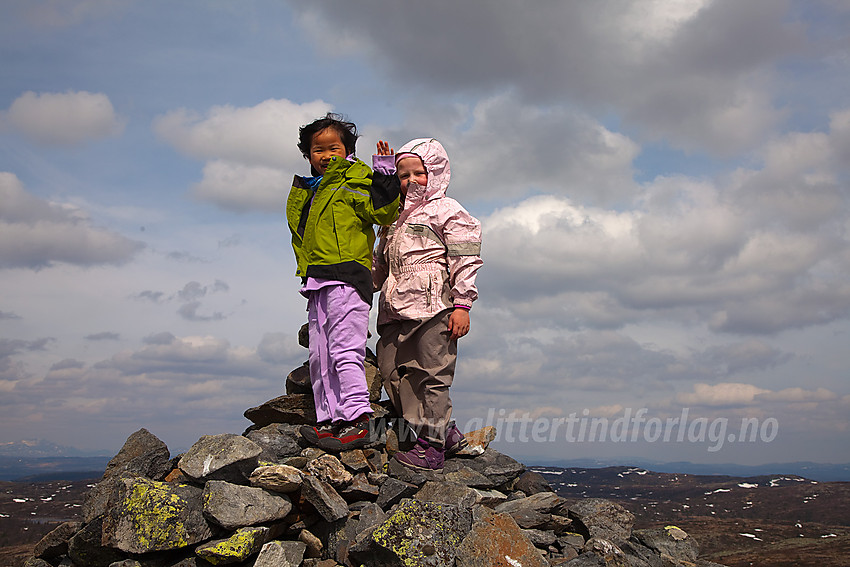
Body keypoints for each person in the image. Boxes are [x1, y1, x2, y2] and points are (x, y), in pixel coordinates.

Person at [286, 113, 400, 452]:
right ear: (308, 155)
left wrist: (384, 175)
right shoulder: (314, 189)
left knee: (344, 348)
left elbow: (383, 213)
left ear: (348, 150)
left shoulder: (356, 177)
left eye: (333, 148)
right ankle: (329, 420)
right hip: (318, 279)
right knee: (320, 354)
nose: (325, 155)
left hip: (348, 276)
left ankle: (357, 419)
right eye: (317, 150)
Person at [372, 138, 483, 471]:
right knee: (391, 372)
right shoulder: (392, 218)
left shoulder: (448, 210)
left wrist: (462, 304)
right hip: (393, 310)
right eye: (403, 175)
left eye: (418, 173)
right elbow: (379, 264)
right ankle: (445, 430)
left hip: (434, 307)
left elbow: (465, 258)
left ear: (436, 172)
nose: (410, 181)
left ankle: (430, 447)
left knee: (432, 374)